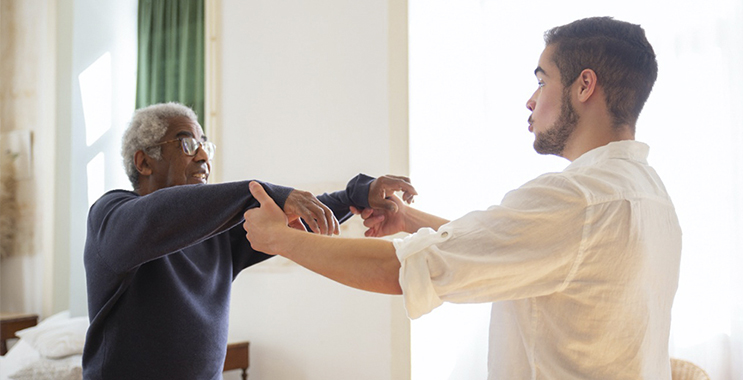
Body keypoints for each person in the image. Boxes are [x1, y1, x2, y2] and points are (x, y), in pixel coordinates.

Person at [243, 17, 682, 379]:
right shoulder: (650, 195)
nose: (530, 100)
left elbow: (398, 270)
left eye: (542, 81)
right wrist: (409, 219)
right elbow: (510, 247)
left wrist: (281, 239)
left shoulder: (577, 200)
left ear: (585, 85)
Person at [82, 102, 417, 380]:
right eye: (186, 144)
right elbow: (158, 217)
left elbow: (292, 219)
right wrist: (262, 193)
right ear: (144, 162)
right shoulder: (111, 216)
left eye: (205, 145)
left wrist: (353, 196)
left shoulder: (215, 232)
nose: (202, 156)